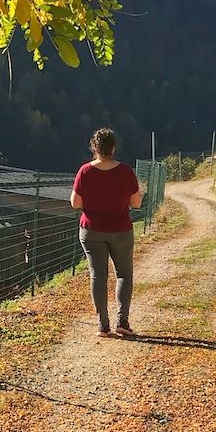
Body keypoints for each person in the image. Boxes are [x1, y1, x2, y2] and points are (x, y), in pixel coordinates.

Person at [70, 128, 144, 338]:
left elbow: (75, 203)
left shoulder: (85, 171)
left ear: (94, 148)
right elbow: (137, 203)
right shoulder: (126, 172)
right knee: (123, 275)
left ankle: (103, 325)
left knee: (97, 276)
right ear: (113, 148)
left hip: (91, 230)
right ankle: (123, 322)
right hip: (120, 230)